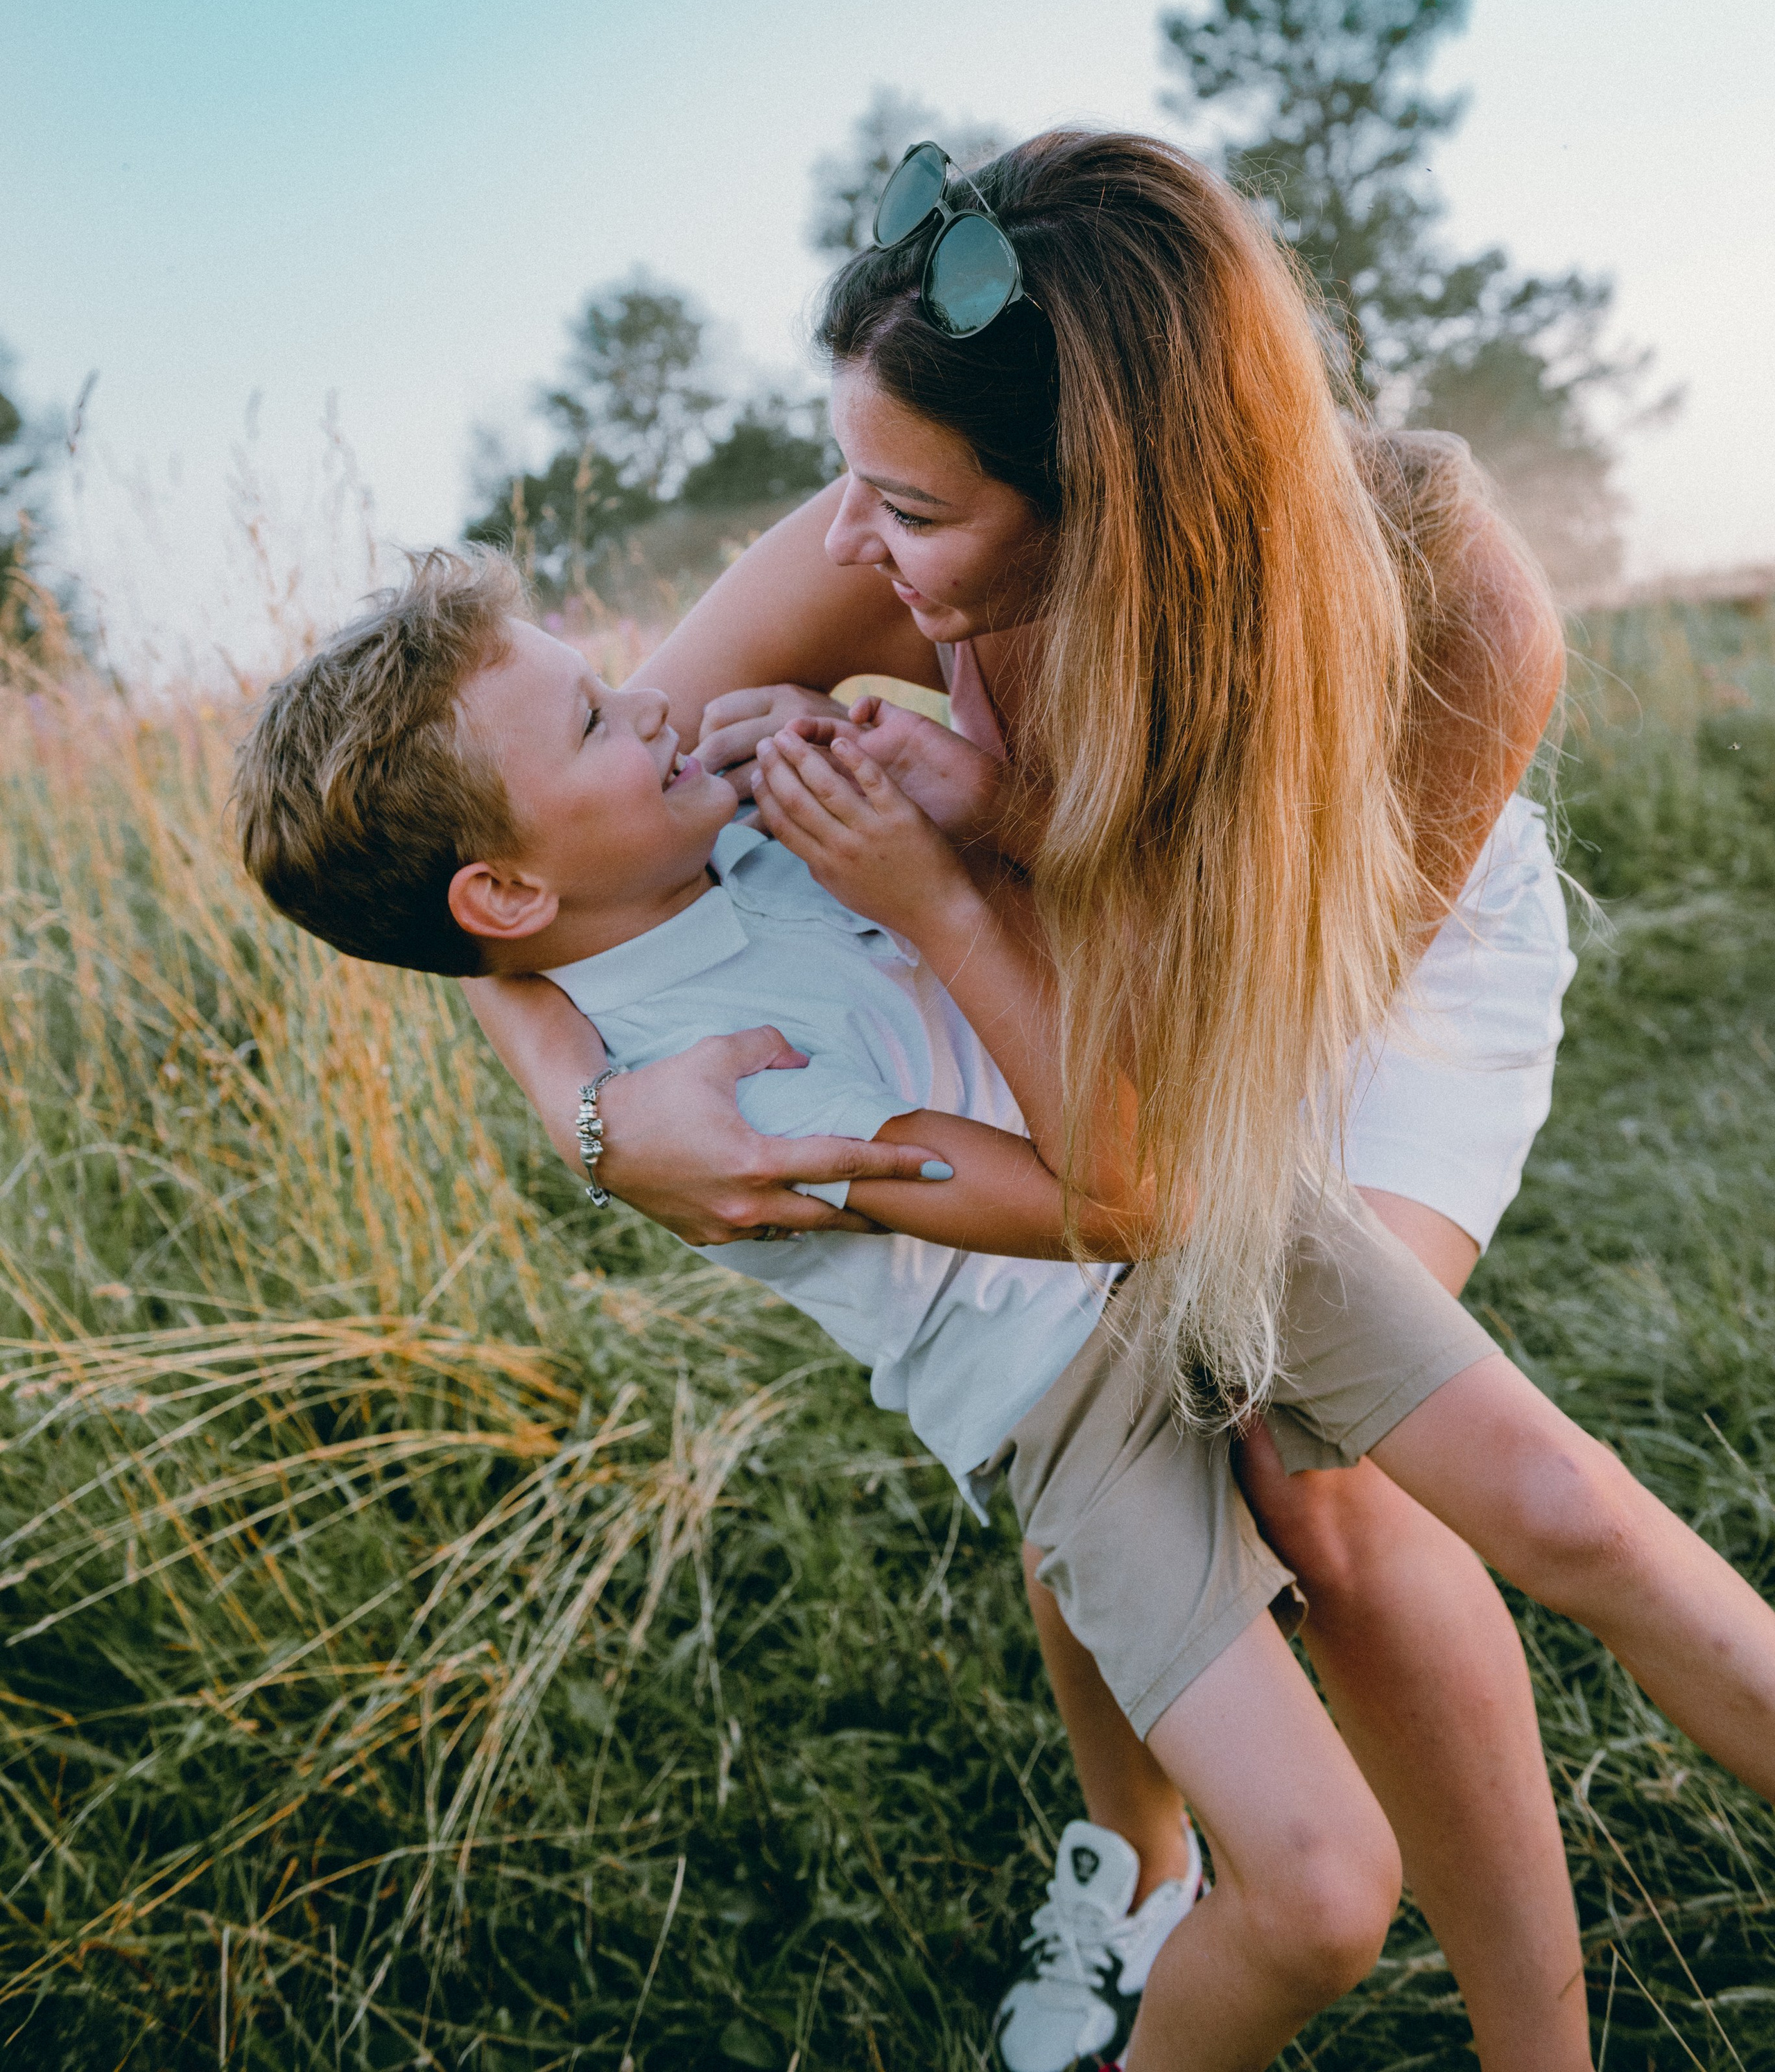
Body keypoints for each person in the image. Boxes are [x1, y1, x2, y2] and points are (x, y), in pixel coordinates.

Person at [236, 549, 1775, 2072]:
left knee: (1571, 1505)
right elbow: (1112, 1202)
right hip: (1071, 1390)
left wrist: (913, 789)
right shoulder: (713, 1097)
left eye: (609, 680)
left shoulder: (728, 813)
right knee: (1319, 1901)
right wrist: (931, 885)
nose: (654, 705)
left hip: (1237, 1217)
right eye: (591, 723)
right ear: (503, 886)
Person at [465, 131, 1591, 2063]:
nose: (843, 537)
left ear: (1099, 505)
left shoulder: (1450, 620)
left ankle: (1539, 2041)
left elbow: (1194, 1127)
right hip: (1075, 933)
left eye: (900, 500)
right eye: (852, 476)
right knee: (1095, 1371)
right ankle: (1135, 1870)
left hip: (1350, 958)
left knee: (1299, 1444)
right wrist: (595, 1115)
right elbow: (517, 879)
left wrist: (986, 953)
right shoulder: (889, 516)